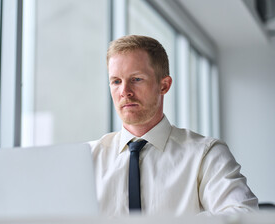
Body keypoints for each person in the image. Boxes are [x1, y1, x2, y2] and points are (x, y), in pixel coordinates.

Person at [89, 35, 258, 216]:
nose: (125, 92)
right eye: (116, 81)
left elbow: (244, 214)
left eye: (136, 79)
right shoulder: (88, 159)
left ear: (164, 85)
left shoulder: (205, 154)